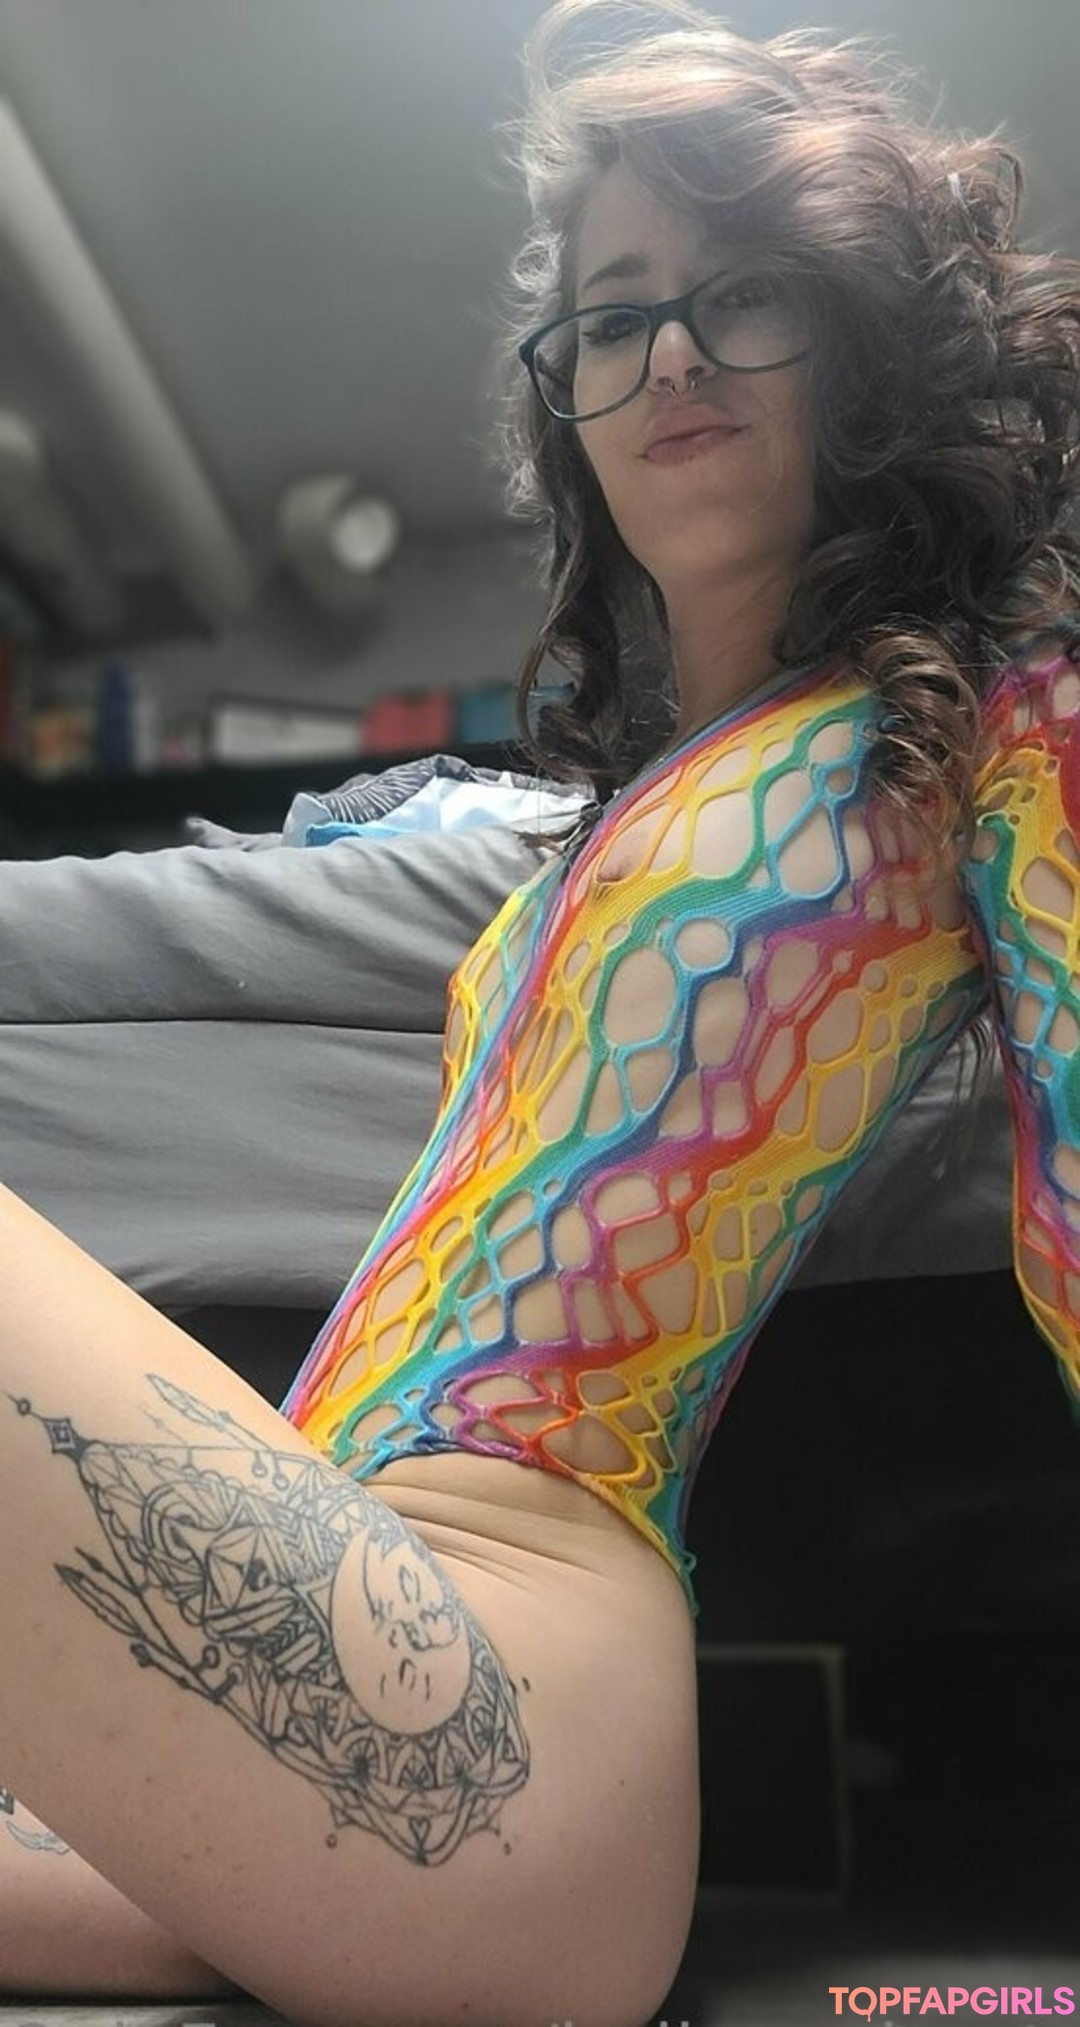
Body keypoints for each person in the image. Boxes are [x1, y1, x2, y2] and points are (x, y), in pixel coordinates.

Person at [2, 1, 1078, 2020]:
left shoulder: (991, 716)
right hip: (319, 1640)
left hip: (500, 1691)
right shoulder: (596, 828)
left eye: (742, 289)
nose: (669, 354)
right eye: (613, 314)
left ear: (857, 330)